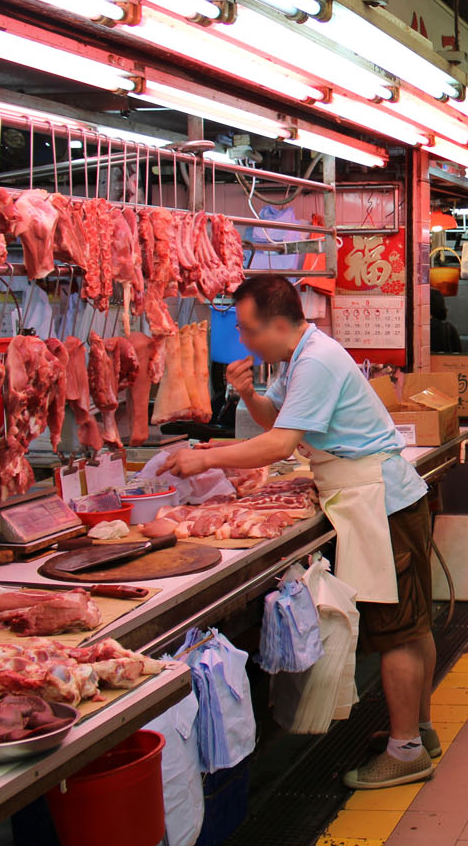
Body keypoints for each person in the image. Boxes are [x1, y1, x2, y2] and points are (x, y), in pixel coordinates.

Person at [165, 277, 440, 790]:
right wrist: (247, 392)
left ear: (277, 323)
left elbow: (278, 447)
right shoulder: (298, 358)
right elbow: (278, 423)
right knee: (413, 622)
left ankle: (406, 751)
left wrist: (205, 455)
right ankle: (417, 731)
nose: (243, 340)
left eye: (248, 330)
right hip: (374, 496)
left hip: (380, 501)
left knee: (399, 629)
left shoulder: (314, 361)